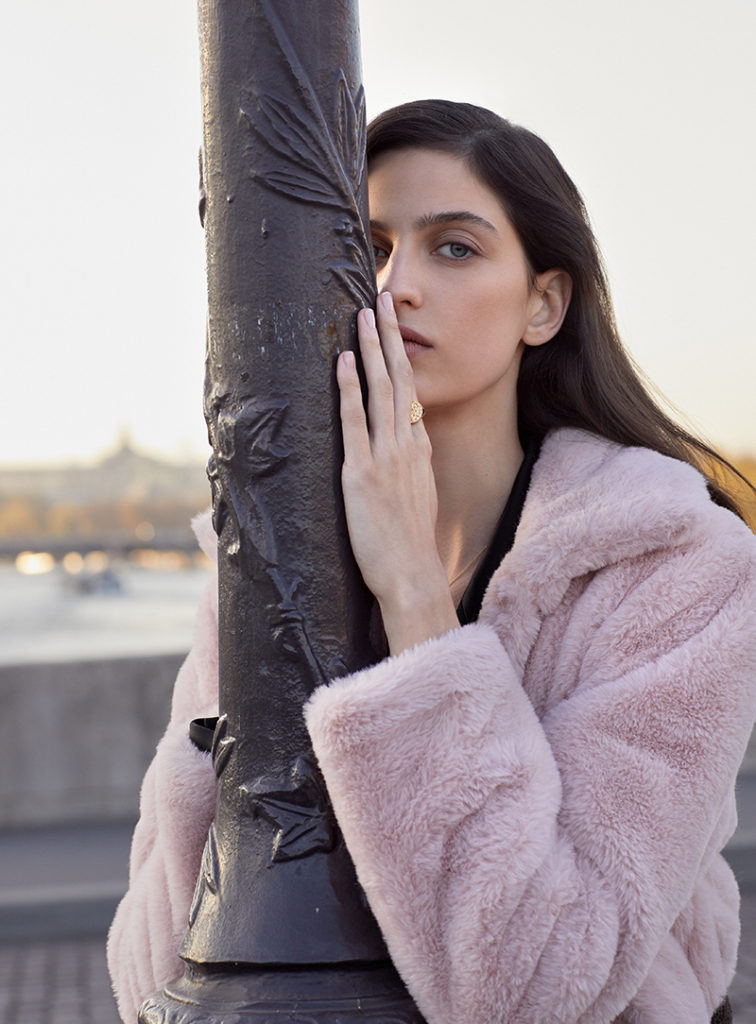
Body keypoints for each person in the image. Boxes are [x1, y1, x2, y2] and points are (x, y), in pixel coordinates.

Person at [107, 100, 756, 1023]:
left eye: (454, 248)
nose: (397, 286)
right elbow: (156, 975)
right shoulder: (267, 560)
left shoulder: (676, 567)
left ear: (544, 304)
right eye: (368, 248)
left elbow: (539, 984)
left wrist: (414, 592)